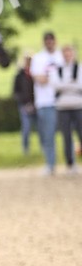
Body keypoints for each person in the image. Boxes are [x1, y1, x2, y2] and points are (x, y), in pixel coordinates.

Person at [29, 31, 63, 175]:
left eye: (52, 40)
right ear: (44, 42)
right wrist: (56, 78)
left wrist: (49, 78)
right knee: (47, 135)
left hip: (62, 101)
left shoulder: (61, 56)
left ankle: (71, 162)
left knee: (68, 134)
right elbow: (38, 79)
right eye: (47, 41)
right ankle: (50, 164)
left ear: (55, 41)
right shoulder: (38, 57)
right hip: (44, 101)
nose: (50, 43)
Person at [55, 43, 82, 174]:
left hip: (78, 105)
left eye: (69, 53)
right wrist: (71, 84)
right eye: (65, 53)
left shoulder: (79, 67)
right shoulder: (58, 69)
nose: (67, 56)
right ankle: (70, 163)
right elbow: (55, 85)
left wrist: (65, 85)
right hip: (62, 107)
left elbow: (80, 85)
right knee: (66, 136)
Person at [12, 54, 37, 155]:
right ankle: (26, 149)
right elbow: (15, 92)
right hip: (24, 105)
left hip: (36, 105)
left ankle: (45, 148)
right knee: (26, 128)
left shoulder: (35, 74)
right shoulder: (19, 75)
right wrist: (24, 103)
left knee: (42, 128)